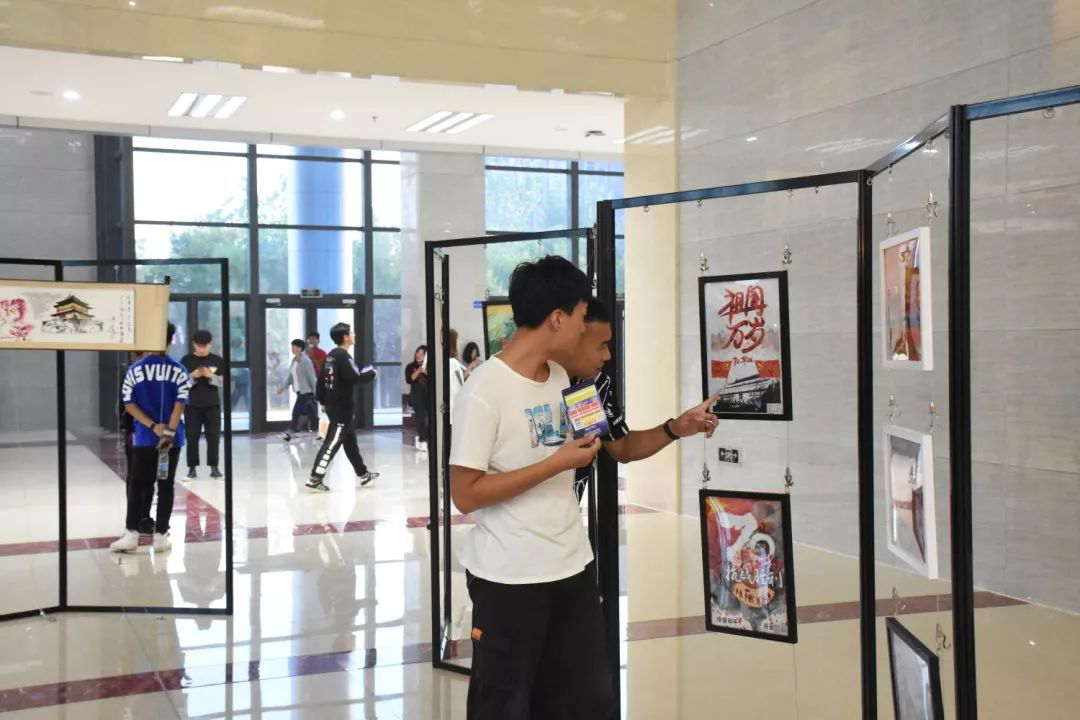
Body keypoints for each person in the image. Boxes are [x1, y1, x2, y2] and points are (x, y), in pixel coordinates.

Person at [449, 255, 613, 719]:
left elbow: (603, 441)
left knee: (584, 701)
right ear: (557, 318)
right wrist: (555, 463)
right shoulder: (483, 390)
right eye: (581, 317)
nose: (584, 330)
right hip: (509, 578)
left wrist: (674, 427)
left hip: (572, 566)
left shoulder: (560, 376)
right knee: (504, 704)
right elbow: (465, 494)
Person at [554, 298, 720, 503]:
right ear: (572, 337)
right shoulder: (529, 382)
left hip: (566, 520)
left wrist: (675, 428)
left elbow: (622, 448)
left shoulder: (587, 388)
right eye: (601, 346)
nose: (608, 355)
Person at [110, 322, 190, 553]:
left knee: (138, 484)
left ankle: (131, 535)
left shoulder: (135, 370)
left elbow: (129, 405)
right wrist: (168, 433)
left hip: (145, 438)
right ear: (171, 340)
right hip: (171, 441)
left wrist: (153, 426)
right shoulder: (179, 370)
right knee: (165, 484)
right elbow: (179, 406)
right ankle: (161, 536)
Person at [306, 322, 380, 492]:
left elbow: (321, 380)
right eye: (351, 332)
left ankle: (363, 474)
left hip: (334, 405)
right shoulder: (343, 356)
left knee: (350, 441)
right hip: (342, 408)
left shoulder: (331, 356)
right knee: (332, 443)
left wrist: (322, 400)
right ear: (345, 337)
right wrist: (372, 373)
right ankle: (315, 478)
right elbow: (355, 376)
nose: (354, 335)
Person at [180, 329, 224, 480]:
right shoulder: (186, 360)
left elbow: (224, 382)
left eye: (204, 346)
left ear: (210, 344)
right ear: (194, 345)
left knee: (214, 437)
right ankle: (192, 468)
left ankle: (214, 467)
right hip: (192, 405)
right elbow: (181, 383)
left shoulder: (217, 360)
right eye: (199, 346)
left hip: (212, 405)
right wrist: (192, 376)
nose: (202, 349)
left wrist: (211, 376)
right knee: (192, 436)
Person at [279, 338, 318, 442]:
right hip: (299, 391)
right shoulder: (294, 360)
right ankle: (318, 430)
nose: (293, 349)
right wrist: (283, 387)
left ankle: (290, 431)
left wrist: (317, 393)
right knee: (311, 412)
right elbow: (291, 376)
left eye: (295, 347)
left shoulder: (306, 361)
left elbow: (312, 378)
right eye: (292, 346)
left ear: (300, 348)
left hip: (306, 392)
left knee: (296, 411)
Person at [404, 345, 429, 452]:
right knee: (421, 418)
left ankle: (421, 437)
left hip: (428, 396)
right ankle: (423, 441)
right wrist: (419, 370)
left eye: (422, 354)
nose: (419, 355)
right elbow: (409, 379)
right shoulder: (410, 366)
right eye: (418, 353)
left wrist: (426, 371)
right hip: (417, 396)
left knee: (431, 419)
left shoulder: (430, 366)